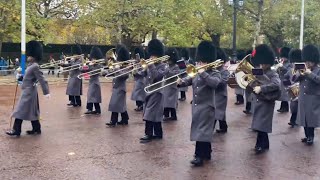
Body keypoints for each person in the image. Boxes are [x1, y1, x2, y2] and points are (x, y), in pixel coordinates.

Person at [178, 41, 222, 166]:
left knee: (202, 132)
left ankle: (199, 156)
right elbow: (189, 79)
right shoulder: (197, 72)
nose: (200, 63)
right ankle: (207, 153)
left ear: (208, 61)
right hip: (197, 106)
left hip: (207, 107)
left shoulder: (214, 72)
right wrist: (181, 82)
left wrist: (203, 73)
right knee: (202, 131)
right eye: (200, 61)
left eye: (202, 61)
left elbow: (214, 83)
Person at [6, 41, 50, 137]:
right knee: (32, 111)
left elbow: (42, 79)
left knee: (19, 110)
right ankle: (36, 129)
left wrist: (46, 92)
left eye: (29, 55)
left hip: (29, 92)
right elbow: (27, 77)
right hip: (27, 91)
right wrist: (19, 77)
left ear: (33, 56)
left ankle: (16, 130)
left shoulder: (35, 66)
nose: (27, 56)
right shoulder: (30, 66)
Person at [250, 44, 281, 154]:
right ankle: (264, 144)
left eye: (263, 63)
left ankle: (260, 145)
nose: (261, 65)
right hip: (259, 100)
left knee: (262, 124)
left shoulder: (273, 73)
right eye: (260, 63)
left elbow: (276, 85)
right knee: (260, 124)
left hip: (267, 101)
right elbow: (254, 82)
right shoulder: (259, 71)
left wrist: (262, 88)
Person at [139, 39, 166, 143]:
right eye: (151, 55)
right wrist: (138, 71)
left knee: (149, 113)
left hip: (157, 92)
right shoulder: (151, 64)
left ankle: (148, 134)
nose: (151, 57)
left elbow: (156, 76)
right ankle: (158, 133)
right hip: (149, 91)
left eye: (154, 56)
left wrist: (151, 65)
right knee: (152, 113)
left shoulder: (163, 66)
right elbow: (144, 74)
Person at [292, 45, 320, 145]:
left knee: (311, 119)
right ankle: (307, 135)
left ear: (315, 61)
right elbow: (293, 79)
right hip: (303, 97)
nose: (307, 63)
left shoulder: (318, 69)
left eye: (309, 62)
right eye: (306, 61)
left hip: (313, 98)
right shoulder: (303, 69)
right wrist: (300, 74)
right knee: (303, 117)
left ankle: (311, 136)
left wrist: (310, 74)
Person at [106, 46, 130, 127]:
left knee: (115, 104)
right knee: (119, 105)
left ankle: (113, 121)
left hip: (121, 88)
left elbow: (124, 76)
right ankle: (125, 119)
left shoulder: (127, 67)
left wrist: (117, 69)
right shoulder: (119, 66)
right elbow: (112, 73)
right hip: (116, 87)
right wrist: (109, 70)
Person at [82, 46, 103, 115]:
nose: (93, 59)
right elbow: (82, 70)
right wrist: (84, 65)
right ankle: (95, 109)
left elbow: (94, 72)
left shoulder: (98, 65)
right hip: (92, 82)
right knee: (91, 96)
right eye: (93, 58)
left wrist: (90, 66)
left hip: (95, 83)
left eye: (94, 58)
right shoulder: (92, 65)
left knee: (93, 96)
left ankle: (91, 109)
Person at [214, 48, 230, 133]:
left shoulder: (225, 71)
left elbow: (223, 82)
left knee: (216, 112)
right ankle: (224, 127)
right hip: (214, 94)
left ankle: (210, 129)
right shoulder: (213, 70)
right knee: (220, 111)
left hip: (221, 95)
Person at [163, 48, 180, 121]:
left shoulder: (176, 66)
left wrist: (168, 71)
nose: (168, 61)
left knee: (171, 103)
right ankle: (166, 115)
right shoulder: (167, 65)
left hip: (172, 87)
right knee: (166, 102)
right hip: (166, 86)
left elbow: (175, 75)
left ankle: (173, 116)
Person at [131, 47, 146, 111]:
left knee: (140, 94)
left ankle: (141, 105)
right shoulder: (136, 62)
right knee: (136, 94)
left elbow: (144, 71)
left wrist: (137, 72)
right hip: (137, 80)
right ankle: (138, 105)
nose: (137, 57)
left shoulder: (143, 62)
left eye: (137, 56)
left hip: (141, 80)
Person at [277, 47, 291, 113]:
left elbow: (289, 71)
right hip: (282, 80)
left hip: (287, 80)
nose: (282, 58)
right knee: (282, 94)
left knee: (285, 94)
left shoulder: (290, 63)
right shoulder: (283, 63)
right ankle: (283, 107)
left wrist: (282, 67)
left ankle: (285, 108)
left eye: (283, 57)